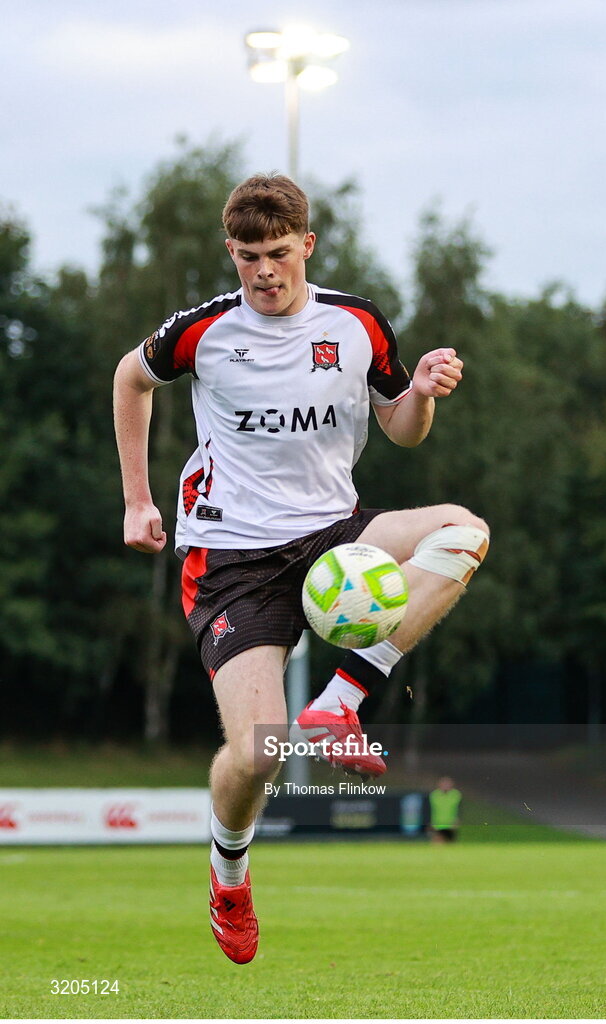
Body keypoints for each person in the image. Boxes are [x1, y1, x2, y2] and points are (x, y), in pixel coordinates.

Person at [113, 173, 489, 965]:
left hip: (331, 536)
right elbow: (130, 378)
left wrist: (418, 391)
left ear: (307, 245)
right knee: (257, 755)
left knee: (462, 532)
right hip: (231, 558)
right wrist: (137, 501)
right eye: (249, 256)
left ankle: (343, 699)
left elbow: (403, 431)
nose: (265, 272)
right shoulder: (204, 330)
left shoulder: (355, 324)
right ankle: (229, 872)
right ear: (232, 252)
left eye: (279, 253)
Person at [428, 776, 462, 842]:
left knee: (450, 843)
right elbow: (430, 809)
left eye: (447, 784)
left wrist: (458, 819)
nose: (445, 785)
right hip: (437, 824)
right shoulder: (434, 795)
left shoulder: (456, 795)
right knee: (437, 842)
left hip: (450, 824)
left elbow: (460, 808)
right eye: (444, 784)